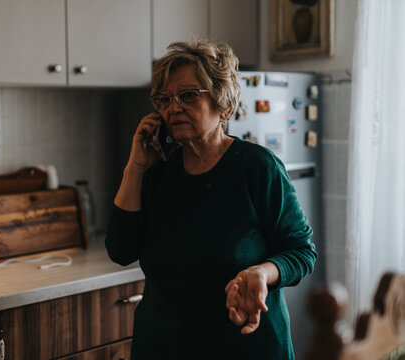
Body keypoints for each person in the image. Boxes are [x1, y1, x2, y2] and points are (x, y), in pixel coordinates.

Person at [105, 38, 317, 359]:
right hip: (162, 348)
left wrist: (262, 272)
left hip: (244, 348)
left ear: (225, 106)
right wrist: (135, 166)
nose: (173, 107)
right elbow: (120, 250)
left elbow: (301, 252)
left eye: (188, 95)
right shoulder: (159, 175)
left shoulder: (257, 167)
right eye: (164, 99)